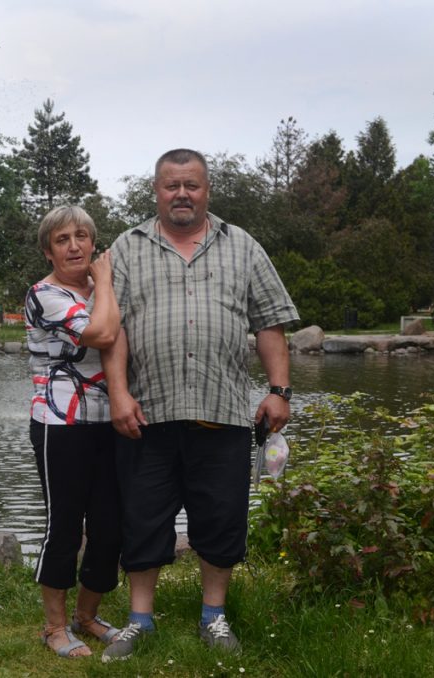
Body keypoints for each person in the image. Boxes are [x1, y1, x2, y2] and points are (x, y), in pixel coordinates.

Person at [100, 149, 299, 661]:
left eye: (191, 185)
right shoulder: (127, 247)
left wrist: (279, 391)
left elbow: (269, 323)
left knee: (221, 518)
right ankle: (139, 620)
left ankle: (214, 616)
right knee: (143, 518)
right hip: (146, 415)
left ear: (207, 190)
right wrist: (118, 393)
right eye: (172, 185)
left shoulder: (243, 246)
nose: (182, 194)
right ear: (157, 191)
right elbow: (112, 331)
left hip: (223, 412)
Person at [24, 204, 123, 659]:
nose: (74, 246)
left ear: (93, 243)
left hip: (109, 423)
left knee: (110, 526)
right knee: (64, 524)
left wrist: (103, 286)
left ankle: (87, 615)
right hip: (59, 425)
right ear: (48, 252)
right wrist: (106, 284)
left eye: (81, 236)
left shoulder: (103, 288)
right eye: (62, 240)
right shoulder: (44, 294)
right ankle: (54, 627)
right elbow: (102, 335)